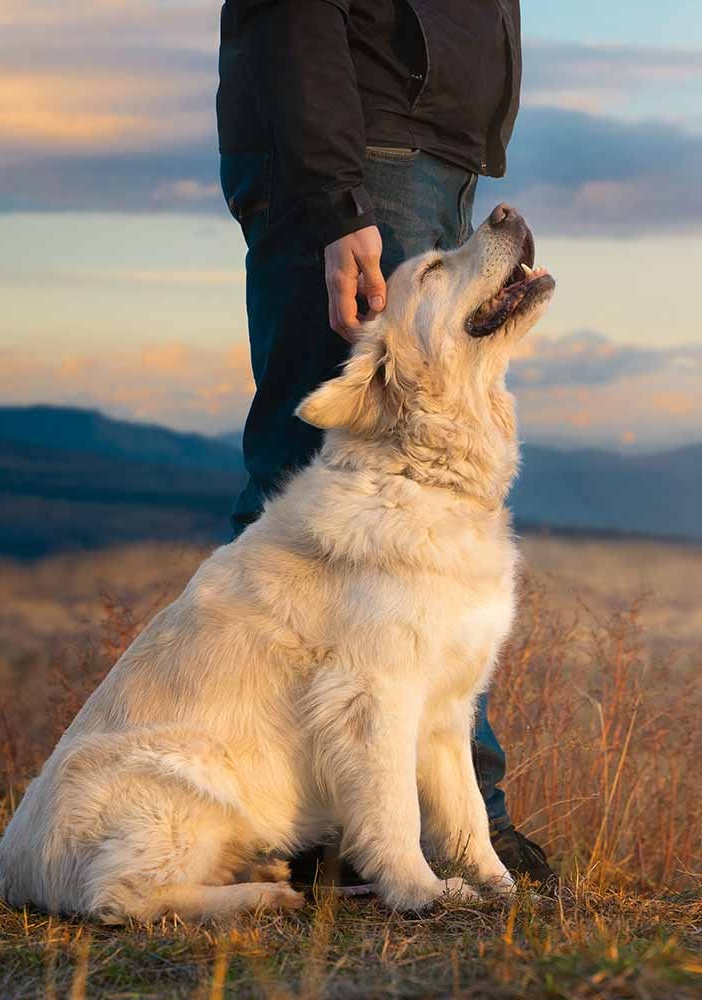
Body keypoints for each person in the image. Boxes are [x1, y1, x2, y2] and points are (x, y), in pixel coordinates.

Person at [216, 0, 555, 889]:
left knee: (390, 517)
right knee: (319, 498)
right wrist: (335, 196)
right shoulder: (353, 176)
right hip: (361, 151)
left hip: (424, 150)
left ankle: (387, 827)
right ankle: (306, 827)